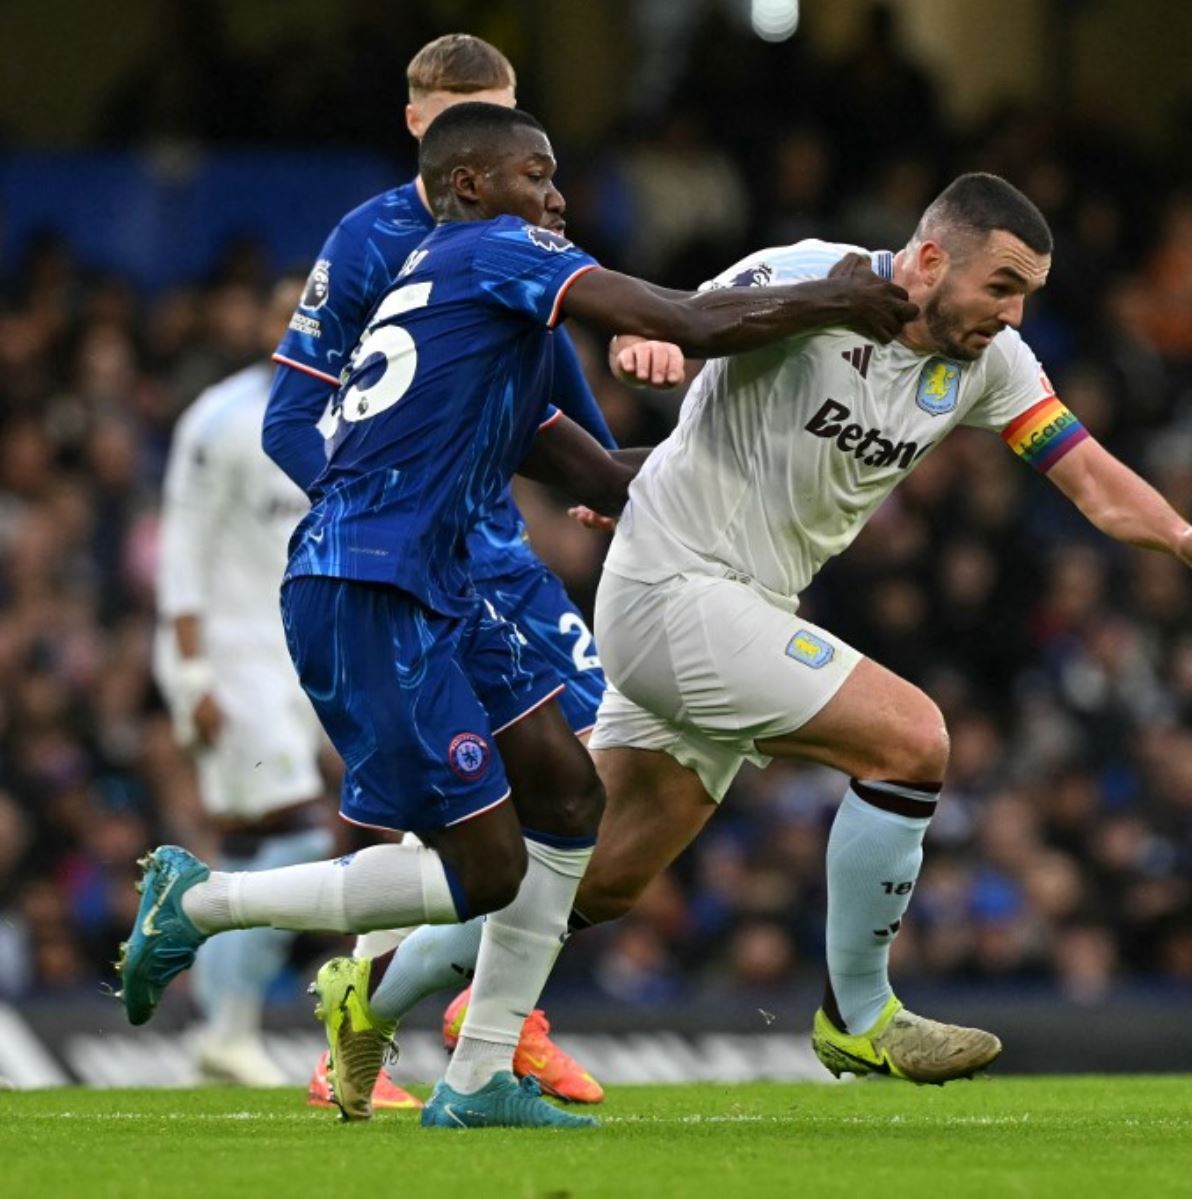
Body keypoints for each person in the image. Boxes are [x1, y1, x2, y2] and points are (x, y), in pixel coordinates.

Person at [116, 101, 918, 1130]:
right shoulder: (494, 253)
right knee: (485, 866)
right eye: (535, 176)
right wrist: (839, 296)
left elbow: (598, 470)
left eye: (557, 178)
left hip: (440, 581)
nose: (557, 196)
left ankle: (480, 1074)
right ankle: (199, 902)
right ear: (467, 189)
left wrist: (773, 476)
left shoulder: (477, 324)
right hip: (370, 581)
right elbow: (686, 320)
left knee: (569, 795)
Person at [583, 173, 1192, 1081]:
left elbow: (1087, 474)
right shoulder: (811, 276)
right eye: (1002, 286)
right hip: (676, 586)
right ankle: (859, 1012)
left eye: (1027, 295)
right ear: (931, 259)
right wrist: (642, 344)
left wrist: (1178, 532)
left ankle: (373, 987)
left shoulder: (988, 364)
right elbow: (670, 316)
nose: (1013, 315)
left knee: (595, 872)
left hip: (742, 608)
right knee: (911, 738)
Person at [263, 33, 617, 1111]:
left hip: (492, 545)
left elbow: (545, 377)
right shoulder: (370, 238)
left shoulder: (522, 231)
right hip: (403, 549)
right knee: (444, 797)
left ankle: (458, 1006)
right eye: (477, 118)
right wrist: (386, 514)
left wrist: (598, 469)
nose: (524, 159)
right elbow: (292, 416)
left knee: (584, 754)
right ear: (425, 129)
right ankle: (431, 1013)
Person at [154, 276, 333, 1087]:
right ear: (260, 323)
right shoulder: (221, 417)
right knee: (297, 831)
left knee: (253, 842)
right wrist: (192, 671)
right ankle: (227, 1018)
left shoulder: (343, 416)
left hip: (301, 654)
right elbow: (182, 547)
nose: (294, 328)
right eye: (280, 312)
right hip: (228, 653)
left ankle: (222, 1027)